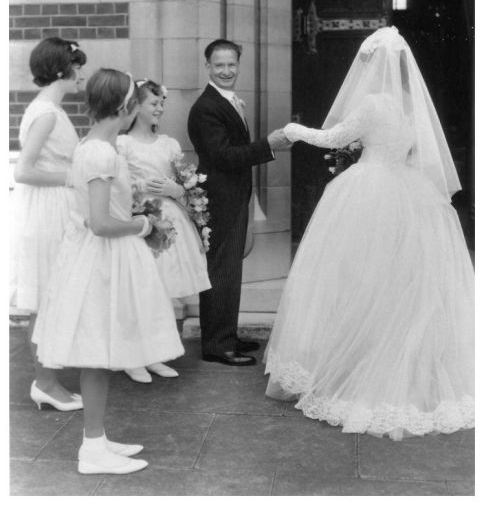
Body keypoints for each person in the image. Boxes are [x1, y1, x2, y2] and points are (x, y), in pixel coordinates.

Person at [264, 26, 474, 440]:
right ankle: (389, 362)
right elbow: (417, 155)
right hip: (406, 191)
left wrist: (291, 130)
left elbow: (333, 138)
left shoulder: (372, 104)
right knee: (395, 285)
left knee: (354, 279)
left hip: (367, 191)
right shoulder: (412, 106)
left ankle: (351, 367)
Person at [32, 69, 184, 474]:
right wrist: (145, 225)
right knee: (96, 353)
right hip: (101, 259)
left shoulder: (96, 145)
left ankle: (96, 440)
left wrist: (134, 216)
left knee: (98, 355)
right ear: (124, 106)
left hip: (96, 256)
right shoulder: (99, 152)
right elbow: (100, 223)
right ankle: (92, 450)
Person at [188, 39, 290, 366]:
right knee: (222, 270)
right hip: (220, 200)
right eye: (219, 65)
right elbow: (223, 156)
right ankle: (218, 346)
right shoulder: (206, 107)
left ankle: (226, 336)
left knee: (230, 270)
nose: (227, 71)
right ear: (207, 67)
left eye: (232, 65)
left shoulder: (226, 101)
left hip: (232, 196)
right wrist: (267, 145)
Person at [117, 78, 211, 383]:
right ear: (136, 106)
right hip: (142, 220)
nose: (160, 109)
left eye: (162, 103)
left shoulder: (169, 143)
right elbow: (116, 187)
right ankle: (133, 356)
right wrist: (139, 189)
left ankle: (156, 354)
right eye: (153, 103)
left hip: (170, 222)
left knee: (164, 292)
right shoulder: (124, 144)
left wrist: (177, 188)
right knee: (141, 289)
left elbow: (185, 185)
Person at [11, 37, 86, 411]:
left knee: (51, 298)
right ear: (61, 70)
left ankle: (49, 380)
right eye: (77, 66)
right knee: (44, 298)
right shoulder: (46, 113)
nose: (80, 74)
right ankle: (43, 382)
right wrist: (71, 178)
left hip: (53, 210)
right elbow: (23, 171)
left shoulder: (50, 109)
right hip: (45, 213)